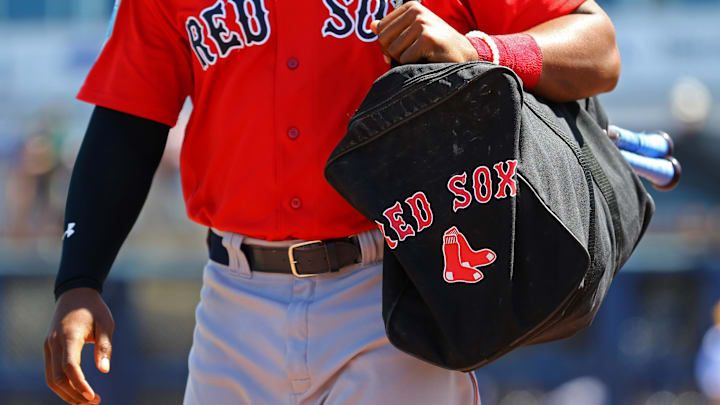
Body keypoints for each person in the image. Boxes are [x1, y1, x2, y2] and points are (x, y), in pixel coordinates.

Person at [44, 1, 620, 404]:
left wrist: (479, 49)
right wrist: (79, 279)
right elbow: (128, 122)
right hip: (233, 301)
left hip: (394, 286)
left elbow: (598, 47)